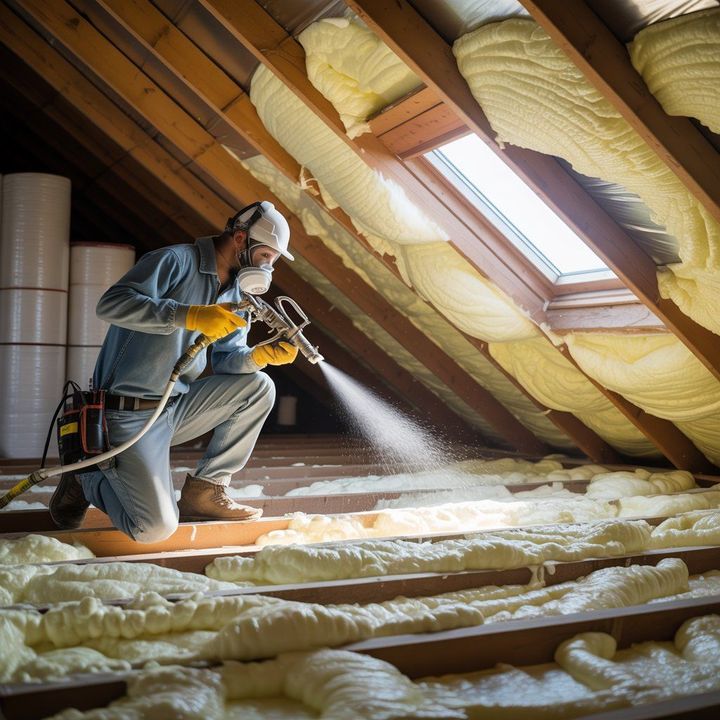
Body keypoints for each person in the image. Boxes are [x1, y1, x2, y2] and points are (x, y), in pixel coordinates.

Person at [49, 201, 298, 542]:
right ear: (240, 239)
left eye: (274, 259)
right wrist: (187, 315)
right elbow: (111, 304)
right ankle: (85, 476)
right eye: (266, 255)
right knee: (154, 528)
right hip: (126, 416)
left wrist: (259, 356)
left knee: (259, 387)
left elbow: (227, 360)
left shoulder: (238, 293)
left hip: (174, 409)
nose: (269, 266)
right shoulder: (174, 261)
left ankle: (205, 490)